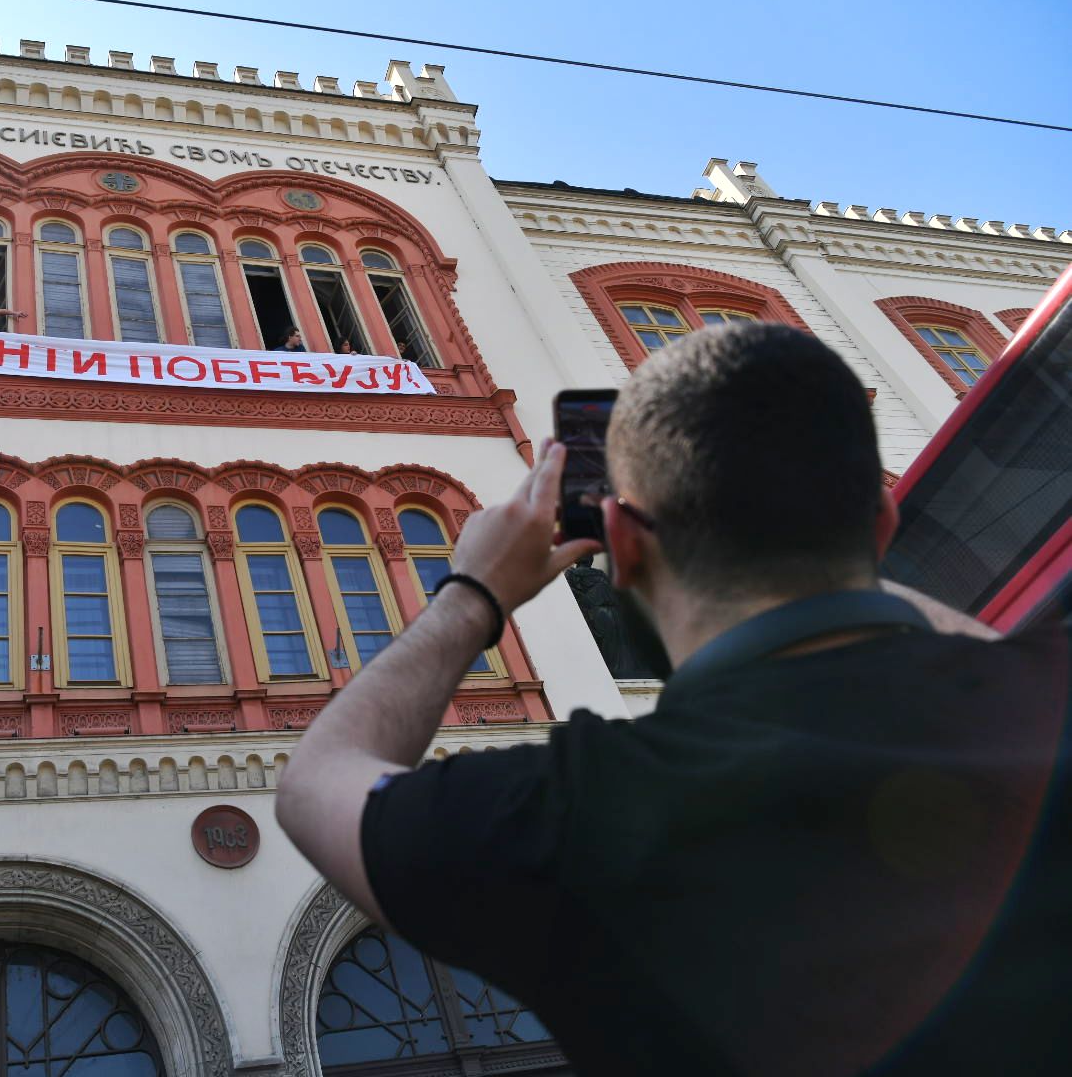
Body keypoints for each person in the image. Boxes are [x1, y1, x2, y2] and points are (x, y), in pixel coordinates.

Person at [276, 322, 1071, 1075]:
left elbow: (317, 780)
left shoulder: (575, 811)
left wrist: (474, 594)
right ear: (884, 522)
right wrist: (854, 558)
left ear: (620, 542)